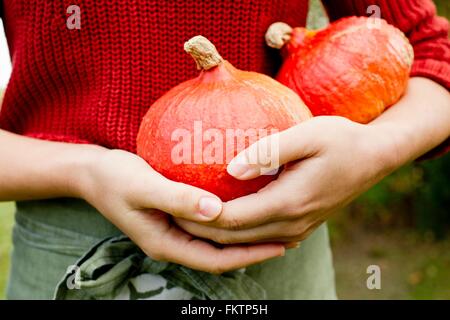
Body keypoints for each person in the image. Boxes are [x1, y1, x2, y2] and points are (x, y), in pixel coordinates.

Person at [0, 0, 449, 299]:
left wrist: (374, 149)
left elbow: (434, 51)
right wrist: (85, 172)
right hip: (69, 254)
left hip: (282, 242)